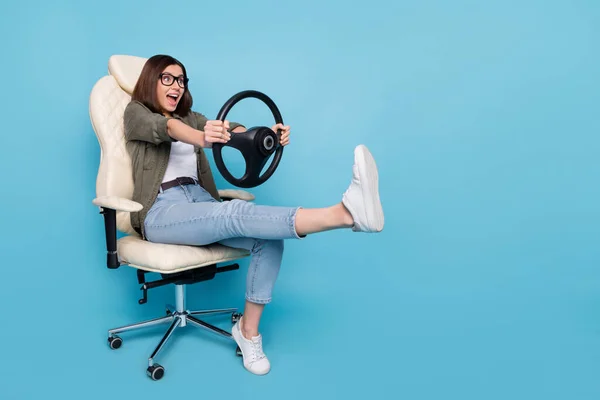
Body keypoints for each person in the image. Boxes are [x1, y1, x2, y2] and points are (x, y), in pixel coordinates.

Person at [123, 54, 384, 376]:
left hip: (199, 201)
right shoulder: (136, 113)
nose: (176, 85)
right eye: (167, 78)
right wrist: (202, 138)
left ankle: (248, 332)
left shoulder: (192, 117)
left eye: (181, 80)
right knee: (233, 213)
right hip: (161, 211)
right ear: (151, 80)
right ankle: (343, 214)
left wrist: (264, 138)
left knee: (269, 239)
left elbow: (232, 131)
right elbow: (167, 128)